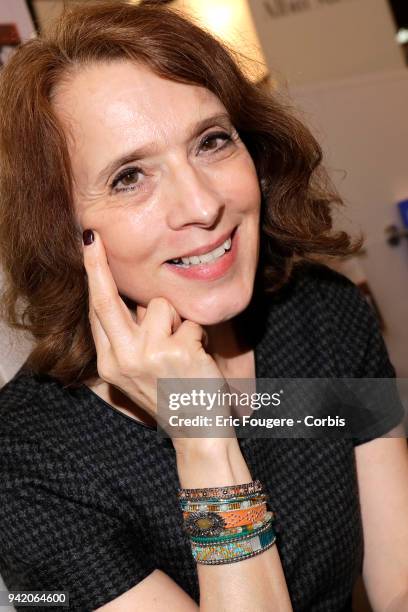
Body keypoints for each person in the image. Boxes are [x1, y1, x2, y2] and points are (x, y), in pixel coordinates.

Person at [0, 2, 407, 611]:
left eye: (212, 141)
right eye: (129, 177)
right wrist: (203, 438)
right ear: (62, 229)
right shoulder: (25, 459)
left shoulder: (323, 315)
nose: (202, 204)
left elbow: (399, 578)